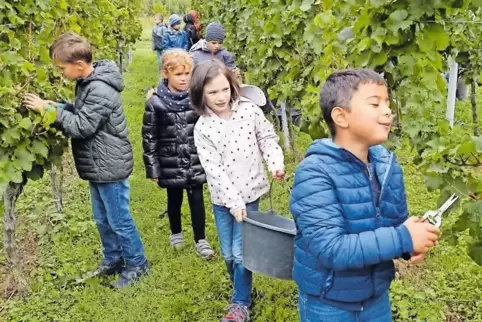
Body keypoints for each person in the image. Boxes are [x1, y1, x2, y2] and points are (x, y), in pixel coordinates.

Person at [289, 69, 441, 321]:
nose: (387, 111)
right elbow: (331, 249)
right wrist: (402, 238)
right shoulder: (314, 173)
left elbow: (390, 227)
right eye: (375, 103)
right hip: (329, 305)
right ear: (341, 116)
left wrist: (408, 244)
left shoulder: (387, 166)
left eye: (387, 103)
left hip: (376, 301)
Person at [23, 32, 149, 288]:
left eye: (62, 69)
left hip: (110, 165)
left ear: (79, 65)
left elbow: (82, 126)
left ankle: (137, 263)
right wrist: (58, 105)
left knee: (119, 219)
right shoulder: (88, 82)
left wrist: (49, 111)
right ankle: (113, 259)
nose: (61, 73)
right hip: (98, 164)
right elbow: (82, 112)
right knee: (103, 219)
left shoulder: (100, 88)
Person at [191, 60, 285, 322]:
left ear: (232, 86)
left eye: (224, 90)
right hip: (223, 199)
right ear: (201, 94)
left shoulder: (249, 111)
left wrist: (275, 163)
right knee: (229, 254)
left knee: (242, 252)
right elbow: (214, 171)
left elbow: (266, 138)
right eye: (212, 93)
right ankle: (242, 288)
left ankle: (240, 303)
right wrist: (233, 202)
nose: (220, 97)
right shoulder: (203, 128)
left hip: (251, 193)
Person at [142, 49, 214, 259]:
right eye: (178, 74)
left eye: (187, 74)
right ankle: (176, 233)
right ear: (166, 74)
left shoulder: (198, 100)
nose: (184, 79)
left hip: (194, 159)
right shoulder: (155, 104)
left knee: (197, 199)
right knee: (174, 199)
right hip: (169, 162)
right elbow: (149, 138)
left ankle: (200, 239)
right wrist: (153, 167)